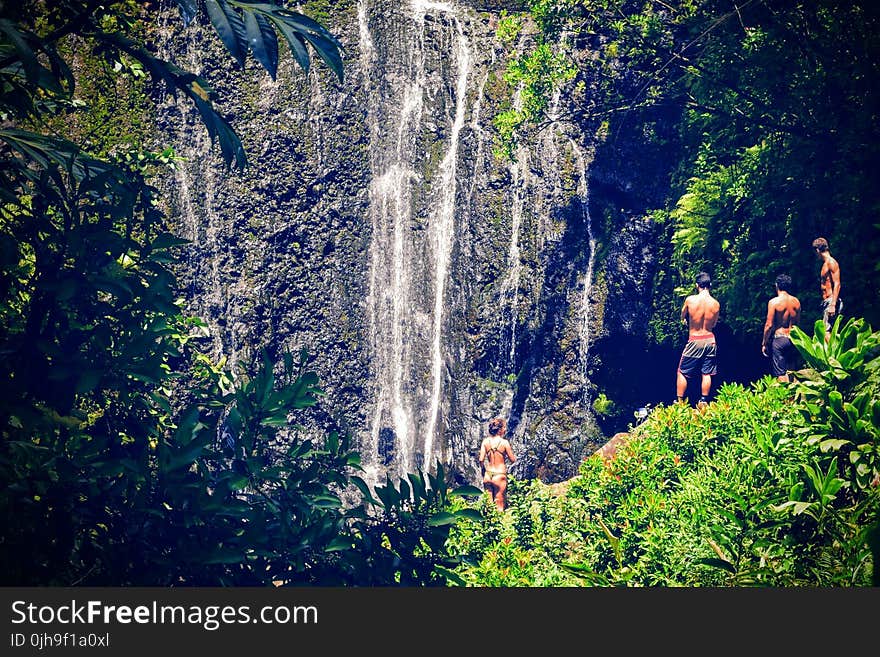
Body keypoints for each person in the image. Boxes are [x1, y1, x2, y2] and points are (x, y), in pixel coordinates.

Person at [676, 271, 721, 408]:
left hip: (695, 339)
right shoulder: (716, 304)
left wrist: (685, 321)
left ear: (697, 285)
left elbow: (682, 315)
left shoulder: (690, 300)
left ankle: (680, 403)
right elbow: (713, 324)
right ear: (710, 285)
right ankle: (703, 400)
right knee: (706, 372)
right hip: (710, 339)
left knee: (682, 371)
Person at [761, 273, 801, 382]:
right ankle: (793, 397)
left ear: (777, 285)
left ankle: (785, 398)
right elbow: (797, 322)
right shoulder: (796, 302)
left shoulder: (774, 302)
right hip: (793, 338)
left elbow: (769, 325)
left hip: (780, 339)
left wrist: (764, 343)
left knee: (780, 372)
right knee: (791, 369)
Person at [478, 417, 516, 512]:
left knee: (488, 507)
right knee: (499, 507)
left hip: (488, 474)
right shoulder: (504, 443)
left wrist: (483, 470)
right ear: (500, 429)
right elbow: (513, 460)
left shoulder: (485, 442)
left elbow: (481, 459)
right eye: (504, 427)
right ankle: (498, 526)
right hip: (499, 475)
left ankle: (487, 525)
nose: (505, 429)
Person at [812, 237, 842, 335]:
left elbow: (837, 283)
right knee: (828, 332)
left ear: (817, 250)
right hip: (826, 302)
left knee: (826, 332)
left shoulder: (831, 262)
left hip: (831, 301)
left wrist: (833, 304)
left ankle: (831, 351)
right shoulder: (825, 263)